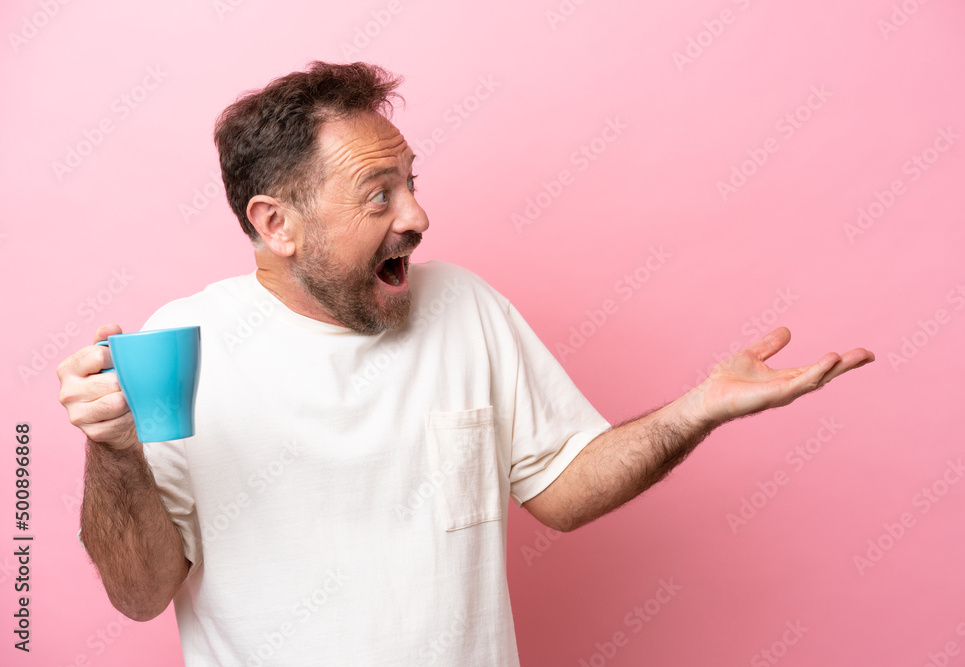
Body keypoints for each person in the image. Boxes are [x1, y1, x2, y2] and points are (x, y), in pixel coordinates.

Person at [57, 61, 875, 666]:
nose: (416, 214)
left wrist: (697, 407)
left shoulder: (464, 306)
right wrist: (116, 450)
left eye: (409, 182)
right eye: (378, 194)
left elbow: (561, 487)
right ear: (277, 223)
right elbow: (139, 593)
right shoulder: (185, 343)